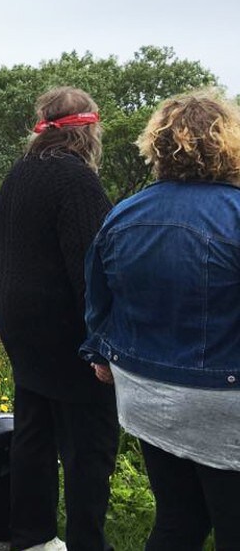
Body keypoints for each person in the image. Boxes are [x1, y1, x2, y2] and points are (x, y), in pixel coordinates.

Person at [82, 90, 240, 551]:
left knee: (178, 520)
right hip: (223, 401)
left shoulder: (125, 212)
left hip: (146, 396)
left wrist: (101, 354)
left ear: (157, 144)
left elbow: (98, 299)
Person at [0, 89, 117, 551]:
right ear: (89, 131)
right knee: (89, 444)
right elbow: (92, 269)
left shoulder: (22, 171)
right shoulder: (78, 181)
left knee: (34, 429)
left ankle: (32, 535)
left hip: (19, 320)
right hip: (62, 327)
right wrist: (103, 342)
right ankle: (88, 542)